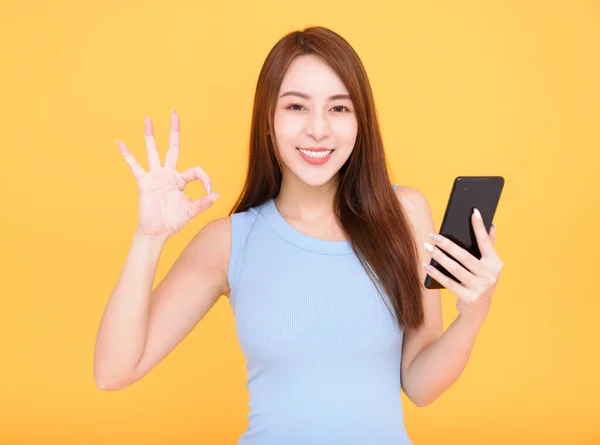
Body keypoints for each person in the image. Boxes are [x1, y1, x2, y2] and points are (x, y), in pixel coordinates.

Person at [94, 26, 503, 445]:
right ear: (268, 121)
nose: (318, 130)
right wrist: (149, 237)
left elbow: (419, 384)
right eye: (296, 107)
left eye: (339, 109)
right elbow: (113, 372)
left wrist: (472, 318)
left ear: (361, 122)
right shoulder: (229, 241)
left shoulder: (405, 214)